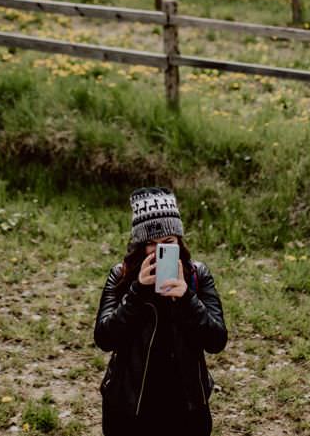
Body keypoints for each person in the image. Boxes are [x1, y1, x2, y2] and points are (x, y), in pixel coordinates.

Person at [94, 187, 227, 436]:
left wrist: (186, 298)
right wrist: (137, 293)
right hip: (129, 407)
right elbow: (103, 338)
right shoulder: (121, 276)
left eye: (167, 243)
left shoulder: (198, 276)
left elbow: (217, 340)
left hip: (186, 407)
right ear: (139, 247)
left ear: (179, 242)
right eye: (150, 245)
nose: (158, 252)